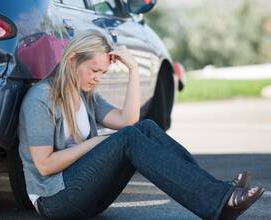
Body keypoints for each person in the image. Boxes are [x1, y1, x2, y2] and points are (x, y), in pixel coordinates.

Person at [18, 29, 264, 220]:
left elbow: (128, 120)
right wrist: (95, 142)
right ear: (72, 60)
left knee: (143, 128)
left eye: (102, 73)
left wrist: (133, 69)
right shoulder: (41, 99)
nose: (97, 78)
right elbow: (45, 165)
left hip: (87, 195)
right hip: (55, 200)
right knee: (128, 138)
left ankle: (218, 195)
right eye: (94, 70)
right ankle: (220, 199)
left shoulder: (85, 95)